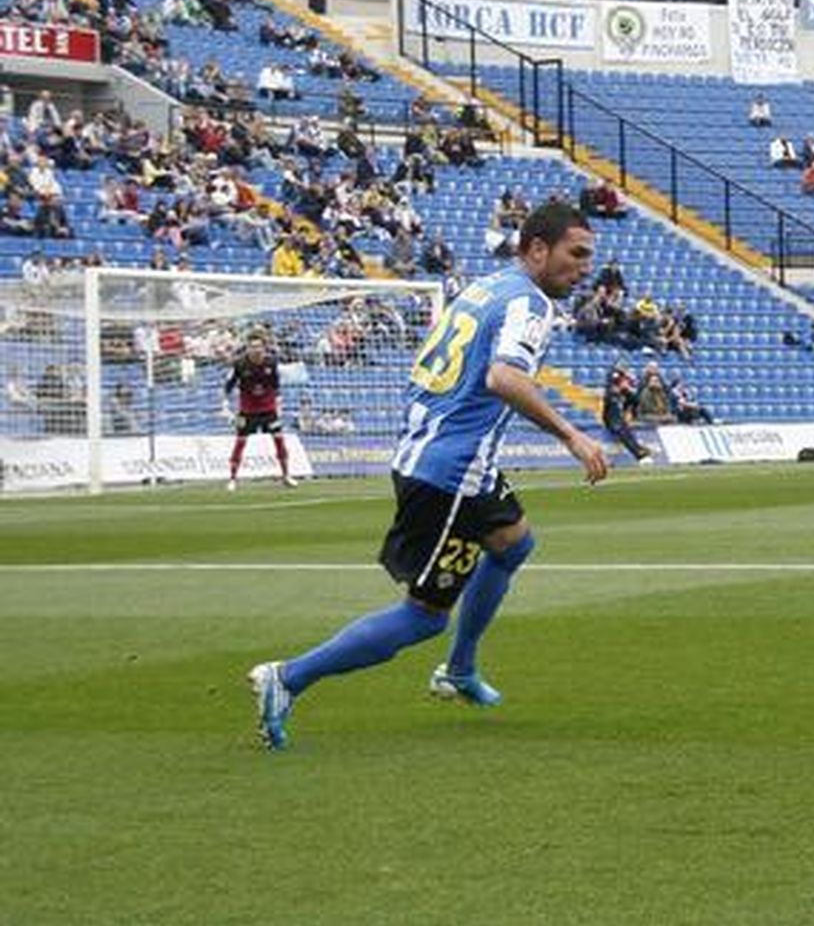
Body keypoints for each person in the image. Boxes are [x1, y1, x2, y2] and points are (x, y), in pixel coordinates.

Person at [247, 203, 609, 751]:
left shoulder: (488, 287)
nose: (585, 268)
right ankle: (288, 677)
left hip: (457, 460)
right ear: (538, 248)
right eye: (576, 254)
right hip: (451, 474)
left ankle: (460, 671)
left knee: (513, 544)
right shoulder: (529, 304)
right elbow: (504, 376)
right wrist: (572, 435)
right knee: (424, 617)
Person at [224, 333, 296, 491]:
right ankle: (233, 479)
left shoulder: (271, 362)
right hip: (247, 410)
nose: (256, 350)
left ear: (264, 348)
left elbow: (276, 384)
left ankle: (286, 476)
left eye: (258, 346)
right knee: (240, 442)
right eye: (252, 347)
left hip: (268, 410)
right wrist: (225, 405)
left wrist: (279, 402)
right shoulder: (240, 364)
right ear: (247, 348)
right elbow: (229, 385)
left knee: (279, 440)